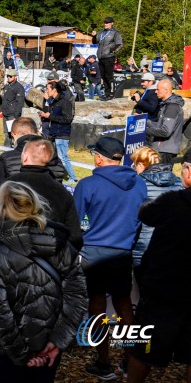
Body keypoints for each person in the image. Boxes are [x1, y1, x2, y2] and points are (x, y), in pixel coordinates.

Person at [0, 181, 87, 383]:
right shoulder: (63, 247)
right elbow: (77, 299)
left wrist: (22, 354)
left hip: (9, 349)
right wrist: (57, 341)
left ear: (2, 210)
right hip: (46, 342)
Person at [74, 136, 147, 380]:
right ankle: (130, 360)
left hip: (94, 252)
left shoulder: (88, 185)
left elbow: (75, 223)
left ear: (98, 158)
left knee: (97, 306)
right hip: (123, 251)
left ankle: (104, 362)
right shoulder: (139, 184)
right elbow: (139, 220)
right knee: (124, 304)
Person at [127, 160, 191, 383]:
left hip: (164, 288)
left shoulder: (174, 200)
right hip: (169, 287)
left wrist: (144, 206)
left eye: (184, 169)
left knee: (144, 348)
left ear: (190, 172)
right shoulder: (174, 199)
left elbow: (146, 215)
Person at [6, 139, 83, 250]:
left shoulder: (7, 186)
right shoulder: (63, 193)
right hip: (51, 253)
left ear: (25, 157)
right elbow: (75, 237)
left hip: (11, 252)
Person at [130, 146, 183, 286]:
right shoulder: (178, 182)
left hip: (142, 246)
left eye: (135, 165)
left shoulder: (138, 184)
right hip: (171, 245)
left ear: (141, 164)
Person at [39, 80, 77, 182]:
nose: (46, 91)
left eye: (48, 89)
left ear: (54, 90)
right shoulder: (53, 101)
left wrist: (50, 116)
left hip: (62, 134)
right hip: (54, 133)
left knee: (63, 157)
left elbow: (67, 119)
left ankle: (73, 178)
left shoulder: (65, 102)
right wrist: (46, 103)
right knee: (53, 157)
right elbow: (47, 112)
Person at [146, 78, 185, 167]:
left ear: (166, 90)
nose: (156, 92)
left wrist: (146, 130)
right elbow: (160, 125)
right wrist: (145, 122)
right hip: (163, 148)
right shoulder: (166, 105)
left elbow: (165, 131)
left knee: (162, 178)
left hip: (165, 150)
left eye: (158, 89)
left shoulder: (172, 107)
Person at [91, 17, 123, 100]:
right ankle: (106, 93)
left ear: (112, 23)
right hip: (101, 57)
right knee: (103, 76)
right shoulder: (101, 32)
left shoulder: (115, 33)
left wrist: (111, 51)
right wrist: (94, 36)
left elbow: (119, 44)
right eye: (105, 22)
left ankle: (112, 93)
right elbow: (95, 42)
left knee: (109, 76)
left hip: (109, 57)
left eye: (107, 23)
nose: (105, 24)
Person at [0, 68, 25, 145]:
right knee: (6, 133)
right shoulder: (7, 86)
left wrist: (16, 115)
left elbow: (19, 102)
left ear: (15, 77)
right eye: (7, 76)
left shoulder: (19, 87)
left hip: (12, 114)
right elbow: (4, 100)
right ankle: (5, 149)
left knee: (12, 133)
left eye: (10, 76)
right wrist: (1, 110)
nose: (8, 77)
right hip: (5, 113)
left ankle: (13, 150)